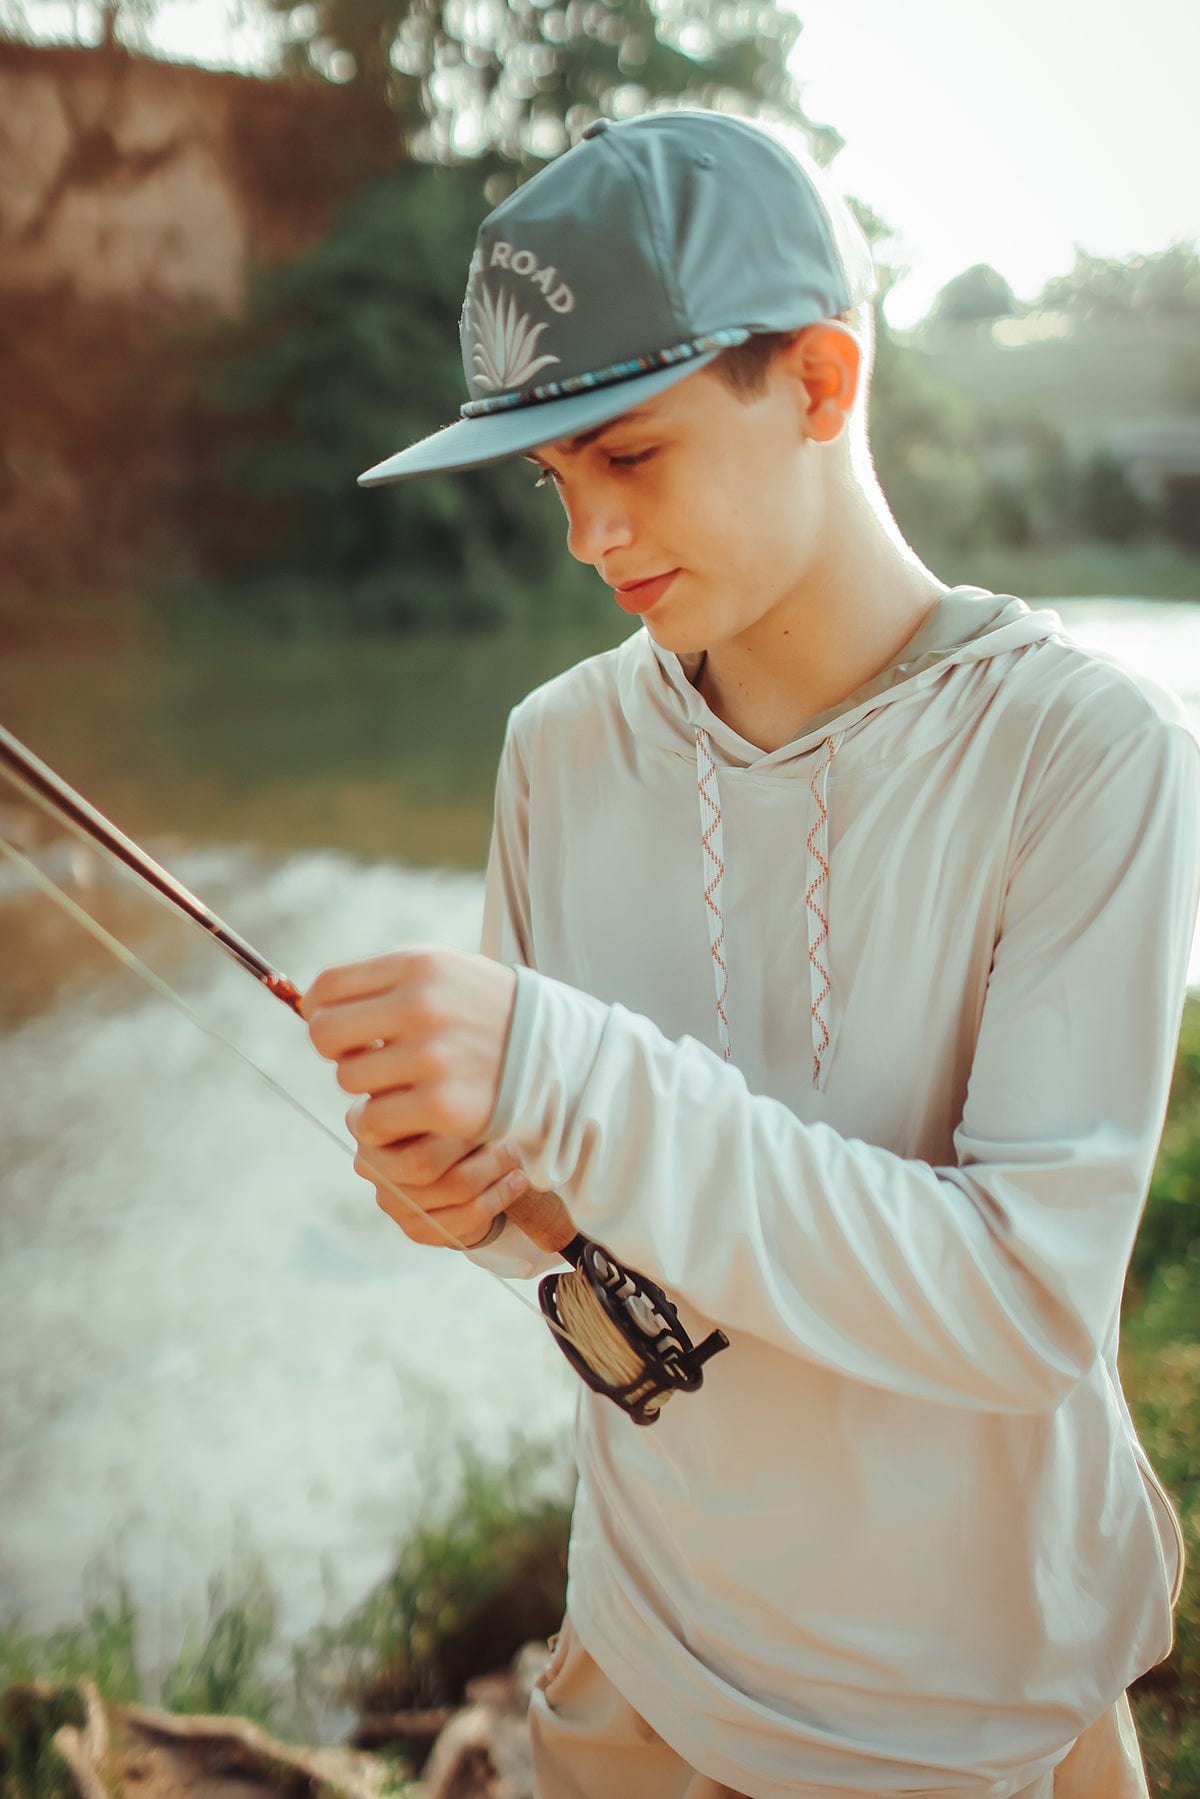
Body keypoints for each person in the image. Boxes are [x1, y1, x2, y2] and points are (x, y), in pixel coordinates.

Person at [299, 111, 1200, 1798]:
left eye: (627, 456)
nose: (587, 539)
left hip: (972, 1706)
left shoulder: (1091, 756)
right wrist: (470, 1199)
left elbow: (1024, 1308)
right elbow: (559, 1223)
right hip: (635, 1669)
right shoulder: (552, 750)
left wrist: (567, 1071)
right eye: (554, 479)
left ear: (820, 384)